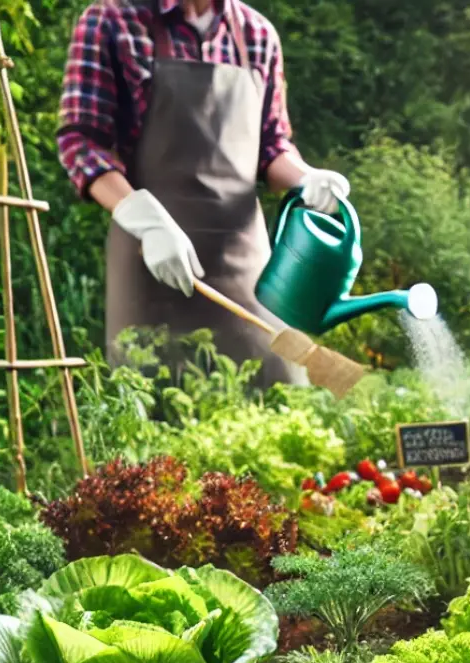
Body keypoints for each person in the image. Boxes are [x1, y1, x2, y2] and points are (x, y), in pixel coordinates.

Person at [57, 0, 349, 386]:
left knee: (280, 395)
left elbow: (272, 146)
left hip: (250, 274)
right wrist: (142, 218)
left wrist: (305, 177)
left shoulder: (257, 35)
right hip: (153, 267)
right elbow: (81, 142)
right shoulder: (112, 21)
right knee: (155, 416)